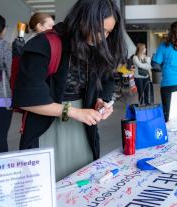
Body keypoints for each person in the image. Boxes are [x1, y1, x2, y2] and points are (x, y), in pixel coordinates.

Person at [13, 0, 127, 180]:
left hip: (83, 128)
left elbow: (107, 81)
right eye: (99, 29)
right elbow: (27, 97)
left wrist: (100, 101)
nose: (102, 37)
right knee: (48, 181)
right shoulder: (45, 44)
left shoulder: (94, 49)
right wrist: (73, 112)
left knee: (83, 180)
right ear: (83, 18)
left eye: (108, 32)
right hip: (47, 128)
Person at [0, 13, 12, 153]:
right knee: (1, 136)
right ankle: (1, 171)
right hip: (1, 98)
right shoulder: (4, 45)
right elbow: (11, 72)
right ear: (1, 28)